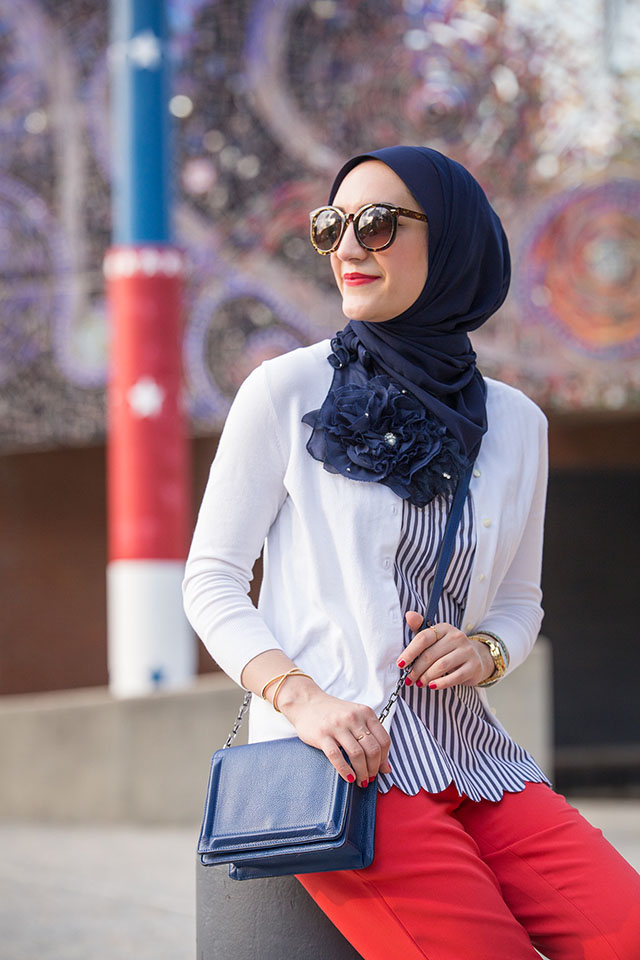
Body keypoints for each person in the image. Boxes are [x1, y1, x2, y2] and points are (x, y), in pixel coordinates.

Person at [183, 146, 640, 960]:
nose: (348, 247)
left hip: (477, 761)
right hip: (345, 770)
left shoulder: (518, 424)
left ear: (454, 241)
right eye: (331, 226)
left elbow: (520, 600)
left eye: (378, 223)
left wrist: (487, 650)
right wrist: (301, 699)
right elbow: (211, 580)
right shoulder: (287, 391)